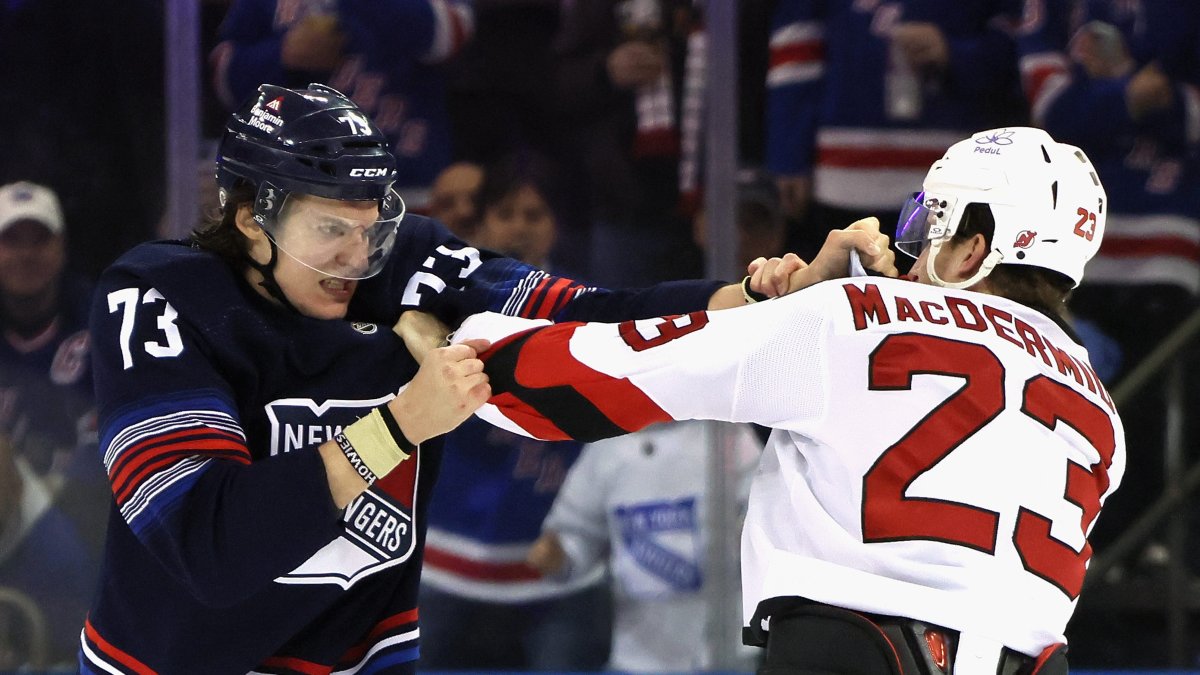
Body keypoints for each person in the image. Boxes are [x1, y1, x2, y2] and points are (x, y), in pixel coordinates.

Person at [78, 82, 808, 674]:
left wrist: (756, 298)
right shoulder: (155, 299)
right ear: (249, 218)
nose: (357, 257)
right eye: (330, 229)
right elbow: (209, 546)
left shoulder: (404, 263)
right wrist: (397, 425)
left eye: (369, 227)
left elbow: (588, 317)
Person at [420, 127, 1126, 674]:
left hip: (854, 648)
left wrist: (464, 345)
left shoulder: (855, 313)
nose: (912, 250)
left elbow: (607, 374)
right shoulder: (1101, 410)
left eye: (931, 225)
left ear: (973, 250)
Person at [418, 152, 610, 670]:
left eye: (534, 215)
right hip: (443, 571)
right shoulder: (431, 309)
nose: (520, 228)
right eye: (506, 214)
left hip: (557, 573)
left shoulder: (590, 312)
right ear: (481, 222)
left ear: (556, 228)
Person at [765, 0, 1025, 259]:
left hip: (954, 176)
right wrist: (790, 154)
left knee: (938, 291)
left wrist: (955, 53)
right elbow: (797, 44)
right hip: (843, 174)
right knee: (842, 290)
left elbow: (1019, 46)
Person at [528, 420, 763, 672]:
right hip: (636, 654)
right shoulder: (607, 447)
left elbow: (763, 515)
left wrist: (750, 537)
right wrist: (558, 555)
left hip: (724, 651)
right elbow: (576, 532)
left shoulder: (728, 436)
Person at [211, 0, 474, 211]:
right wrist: (281, 55)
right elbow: (224, 77)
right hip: (296, 185)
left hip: (407, 183)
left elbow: (450, 33)